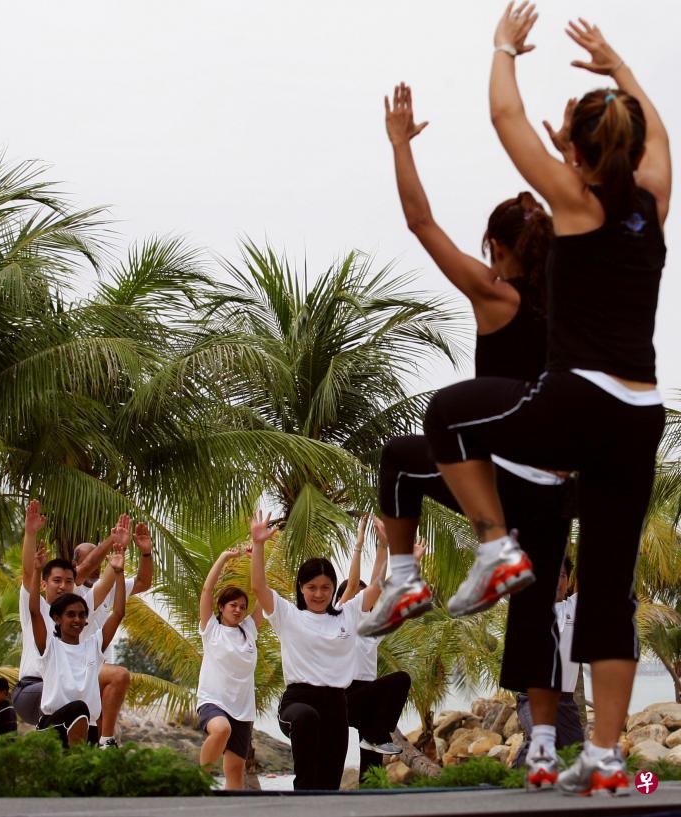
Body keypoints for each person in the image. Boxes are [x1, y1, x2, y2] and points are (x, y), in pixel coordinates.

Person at [423, 6, 669, 796]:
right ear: (628, 145)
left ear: (582, 151)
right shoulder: (652, 204)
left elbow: (504, 114)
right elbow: (660, 136)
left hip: (582, 401)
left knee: (447, 417)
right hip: (640, 414)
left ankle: (497, 545)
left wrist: (504, 45)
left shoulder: (577, 201)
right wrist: (616, 66)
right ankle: (601, 755)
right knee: (607, 587)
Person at [363, 80, 568, 640]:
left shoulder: (496, 295)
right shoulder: (568, 303)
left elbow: (420, 221)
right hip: (556, 488)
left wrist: (400, 144)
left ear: (497, 249)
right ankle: (546, 727)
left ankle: (405, 579)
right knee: (535, 627)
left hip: (502, 481)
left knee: (399, 460)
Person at [250, 511, 383, 791]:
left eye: (325, 587)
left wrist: (383, 547)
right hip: (298, 702)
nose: (319, 594)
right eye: (312, 587)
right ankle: (301, 799)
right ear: (301, 588)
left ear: (334, 588)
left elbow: (377, 587)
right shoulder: (288, 615)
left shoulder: (347, 614)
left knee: (329, 784)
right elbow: (258, 587)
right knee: (307, 728)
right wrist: (259, 545)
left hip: (336, 704)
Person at [12, 500, 127, 749]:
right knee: (81, 705)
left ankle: (99, 742)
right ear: (44, 585)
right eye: (57, 581)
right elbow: (29, 577)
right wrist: (31, 534)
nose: (63, 585)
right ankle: (58, 734)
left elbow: (115, 609)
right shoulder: (39, 612)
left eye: (68, 581)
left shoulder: (83, 621)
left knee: (92, 706)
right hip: (33, 689)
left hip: (74, 703)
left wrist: (119, 560)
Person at [336, 517, 414, 780]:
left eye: (363, 597)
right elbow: (370, 580)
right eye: (355, 596)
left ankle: (371, 796)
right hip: (343, 696)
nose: (362, 600)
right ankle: (374, 736)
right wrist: (376, 545)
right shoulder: (337, 620)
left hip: (368, 699)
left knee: (372, 762)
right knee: (400, 679)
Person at [29, 545, 126, 746]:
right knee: (79, 709)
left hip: (88, 729)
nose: (77, 619)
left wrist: (118, 572)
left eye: (82, 615)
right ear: (57, 618)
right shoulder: (49, 647)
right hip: (53, 727)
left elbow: (118, 614)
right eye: (71, 614)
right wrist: (37, 569)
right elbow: (35, 612)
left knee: (84, 718)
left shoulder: (93, 647)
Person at [73, 519, 155, 745]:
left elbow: (143, 582)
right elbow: (85, 569)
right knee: (119, 677)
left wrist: (146, 553)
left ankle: (104, 744)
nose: (98, 565)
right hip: (74, 667)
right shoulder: (71, 590)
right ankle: (107, 742)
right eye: (94, 559)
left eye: (102, 561)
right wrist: (111, 543)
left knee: (98, 722)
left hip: (99, 667)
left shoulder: (108, 586)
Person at [197, 547, 262, 790]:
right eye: (233, 605)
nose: (238, 610)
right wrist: (224, 557)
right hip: (213, 701)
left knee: (236, 775)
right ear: (222, 607)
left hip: (243, 711)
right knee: (221, 729)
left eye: (242, 607)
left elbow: (262, 591)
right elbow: (206, 590)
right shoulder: (211, 629)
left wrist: (258, 554)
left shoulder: (249, 630)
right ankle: (200, 781)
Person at [514, 557, 584, 770]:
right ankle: (507, 788)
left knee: (577, 762)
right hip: (533, 697)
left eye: (562, 575)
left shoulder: (575, 607)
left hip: (565, 702)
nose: (558, 581)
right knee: (540, 739)